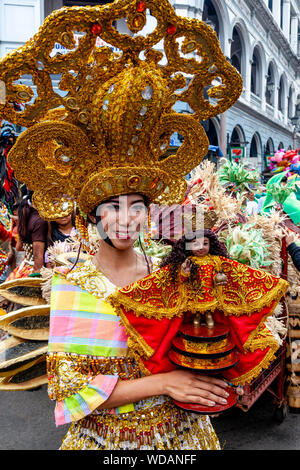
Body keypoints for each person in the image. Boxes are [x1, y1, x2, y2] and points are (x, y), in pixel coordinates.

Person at [0, 0, 282, 451]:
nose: (127, 218)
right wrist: (166, 383)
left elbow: (214, 332)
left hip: (184, 435)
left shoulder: (162, 267)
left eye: (138, 205)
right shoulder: (77, 284)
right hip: (110, 442)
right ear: (94, 213)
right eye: (113, 205)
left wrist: (209, 265)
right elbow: (71, 394)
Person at [6, 195, 48, 279]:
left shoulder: (26, 218)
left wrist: (29, 249)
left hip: (26, 265)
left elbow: (18, 247)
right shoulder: (39, 221)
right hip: (36, 269)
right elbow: (38, 262)